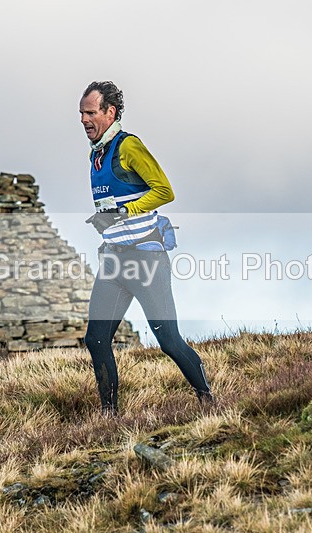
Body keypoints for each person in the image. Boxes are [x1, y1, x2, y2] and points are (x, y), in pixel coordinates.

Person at [79, 81, 213, 414]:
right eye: (81, 113)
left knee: (168, 341)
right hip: (114, 263)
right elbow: (119, 199)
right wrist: (104, 219)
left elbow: (164, 191)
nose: (83, 119)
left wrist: (125, 212)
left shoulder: (128, 147)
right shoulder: (96, 154)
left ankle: (208, 400)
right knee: (95, 341)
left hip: (147, 260)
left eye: (90, 112)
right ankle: (109, 417)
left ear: (110, 113)